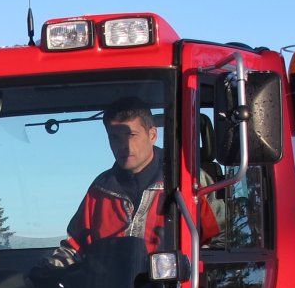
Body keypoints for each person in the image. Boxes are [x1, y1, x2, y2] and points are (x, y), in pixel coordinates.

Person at [47, 96, 217, 267]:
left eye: (132, 135)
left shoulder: (188, 181)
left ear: (152, 135)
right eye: (115, 138)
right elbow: (75, 247)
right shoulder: (100, 189)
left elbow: (220, 242)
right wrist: (46, 272)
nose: (124, 146)